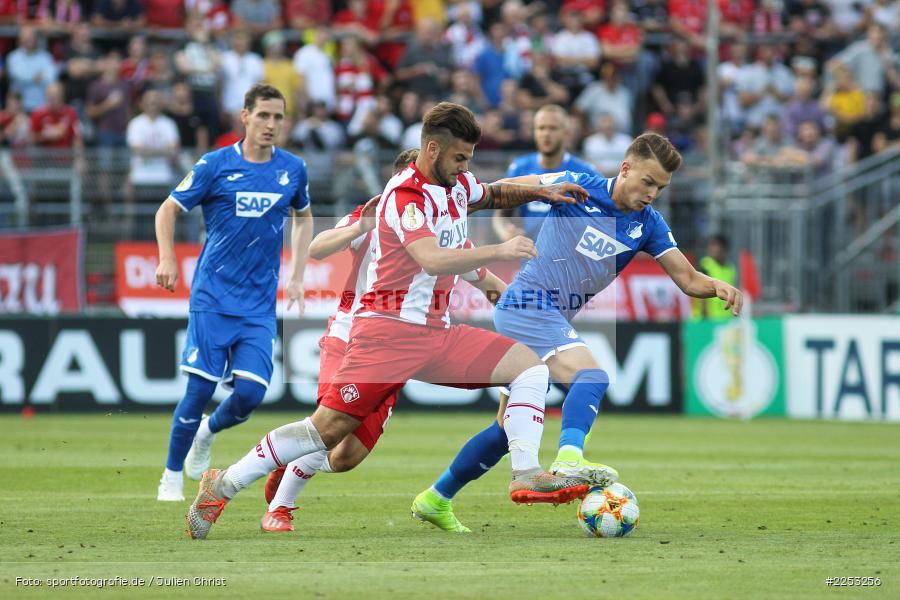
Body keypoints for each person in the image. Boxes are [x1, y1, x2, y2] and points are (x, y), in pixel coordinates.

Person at [185, 102, 599, 539]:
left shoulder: (457, 186)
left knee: (530, 368)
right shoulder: (405, 196)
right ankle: (224, 484)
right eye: (459, 158)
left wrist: (543, 192)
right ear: (433, 148)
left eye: (469, 160)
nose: (464, 168)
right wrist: (500, 249)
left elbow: (493, 192)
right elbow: (432, 259)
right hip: (385, 334)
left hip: (437, 335)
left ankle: (526, 474)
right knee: (326, 432)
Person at [412, 134, 744, 531]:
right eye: (647, 181)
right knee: (592, 375)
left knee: (505, 431)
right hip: (528, 304)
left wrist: (717, 285)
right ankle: (570, 456)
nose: (651, 193)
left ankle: (435, 498)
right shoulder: (579, 185)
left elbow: (687, 279)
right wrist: (523, 194)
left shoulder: (649, 225)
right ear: (625, 168)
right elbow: (509, 190)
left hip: (543, 314)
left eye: (660, 187)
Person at [260, 149, 509, 533]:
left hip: (396, 347)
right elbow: (317, 248)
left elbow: (485, 279)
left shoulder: (442, 232)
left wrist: (527, 311)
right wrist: (362, 226)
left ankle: (290, 458)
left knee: (346, 458)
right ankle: (280, 508)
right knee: (330, 427)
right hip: (349, 334)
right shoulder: (374, 216)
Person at [155, 84, 314, 502]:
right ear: (244, 116)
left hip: (259, 304)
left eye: (278, 117)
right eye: (263, 115)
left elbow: (303, 216)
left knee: (250, 394)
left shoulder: (293, 168)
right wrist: (167, 258)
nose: (271, 124)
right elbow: (167, 209)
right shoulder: (215, 164)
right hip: (213, 296)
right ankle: (171, 477)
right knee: (199, 390)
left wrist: (298, 274)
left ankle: (206, 432)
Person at [492, 104, 598, 243]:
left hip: (572, 260)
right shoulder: (520, 168)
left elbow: (601, 219)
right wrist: (506, 231)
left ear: (566, 132)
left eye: (553, 128)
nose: (546, 133)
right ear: (534, 132)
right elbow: (501, 214)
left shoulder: (586, 173)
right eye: (541, 128)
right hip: (532, 259)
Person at [692, 235, 738, 320]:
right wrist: (704, 318)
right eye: (711, 245)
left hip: (725, 320)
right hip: (707, 320)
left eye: (716, 245)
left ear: (724, 249)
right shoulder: (705, 265)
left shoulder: (731, 269)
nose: (712, 249)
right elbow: (702, 292)